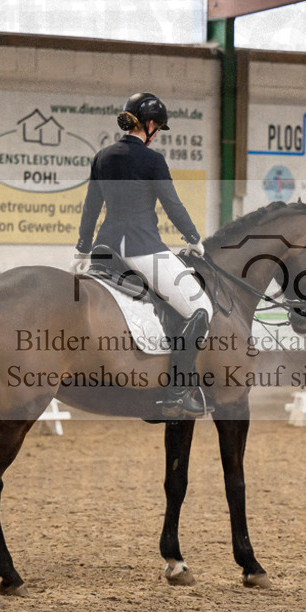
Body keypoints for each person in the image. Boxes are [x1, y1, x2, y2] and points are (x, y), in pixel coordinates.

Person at [73, 92, 213, 419]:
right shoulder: (153, 161)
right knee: (201, 309)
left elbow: (91, 207)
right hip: (142, 248)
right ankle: (176, 392)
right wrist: (193, 237)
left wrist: (82, 247)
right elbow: (172, 204)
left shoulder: (102, 156)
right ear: (150, 125)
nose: (157, 132)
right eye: (158, 127)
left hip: (104, 250)